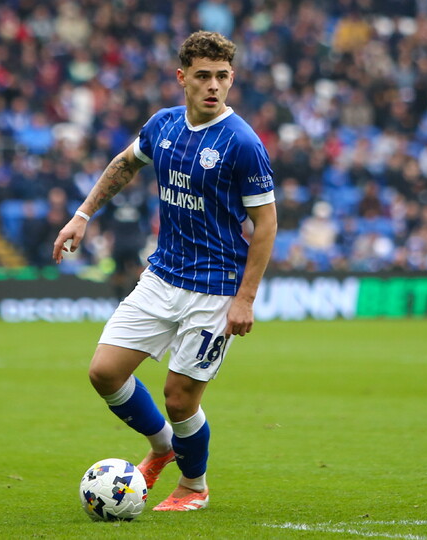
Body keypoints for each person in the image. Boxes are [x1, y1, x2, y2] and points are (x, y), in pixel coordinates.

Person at [52, 31, 277, 510]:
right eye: (203, 77)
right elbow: (124, 163)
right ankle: (162, 447)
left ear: (232, 78)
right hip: (161, 276)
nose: (213, 86)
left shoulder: (242, 144)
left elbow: (266, 224)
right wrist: (82, 214)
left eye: (222, 77)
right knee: (104, 373)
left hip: (215, 288)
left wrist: (246, 298)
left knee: (180, 399)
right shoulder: (164, 126)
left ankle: (194, 485)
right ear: (182, 79)